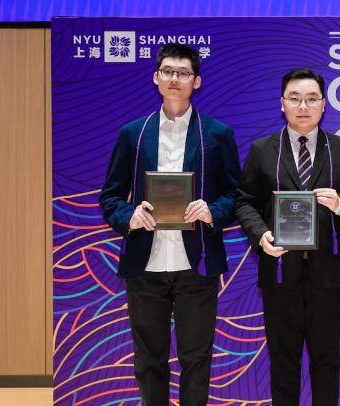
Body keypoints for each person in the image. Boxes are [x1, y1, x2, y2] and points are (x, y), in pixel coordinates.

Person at [98, 43, 241, 406]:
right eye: (168, 72)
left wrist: (212, 210)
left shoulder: (217, 133)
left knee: (196, 358)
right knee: (149, 360)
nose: (175, 79)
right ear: (156, 78)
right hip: (145, 263)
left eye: (183, 73)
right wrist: (129, 216)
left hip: (198, 263)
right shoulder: (133, 133)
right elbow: (110, 196)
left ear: (197, 81)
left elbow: (235, 195)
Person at [234, 68, 340, 406]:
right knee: (283, 361)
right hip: (280, 270)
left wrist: (339, 203)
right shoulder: (263, 150)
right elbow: (244, 201)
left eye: (311, 99)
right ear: (282, 104)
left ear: (323, 104)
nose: (303, 106)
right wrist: (261, 235)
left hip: (328, 273)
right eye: (294, 99)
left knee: (326, 360)